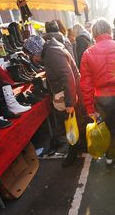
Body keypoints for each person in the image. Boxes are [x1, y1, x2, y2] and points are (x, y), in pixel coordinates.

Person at [23, 35, 85, 167]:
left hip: (68, 93)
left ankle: (73, 152)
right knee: (75, 123)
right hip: (70, 91)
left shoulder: (52, 53)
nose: (33, 58)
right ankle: (79, 147)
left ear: (36, 50)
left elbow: (67, 77)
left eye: (31, 55)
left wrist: (69, 103)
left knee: (71, 125)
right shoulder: (52, 49)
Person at [80, 19, 115, 170]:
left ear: (94, 33)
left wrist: (90, 108)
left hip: (102, 98)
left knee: (106, 127)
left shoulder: (88, 53)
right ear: (109, 30)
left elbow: (86, 84)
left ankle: (110, 157)